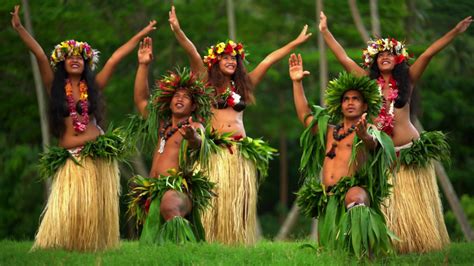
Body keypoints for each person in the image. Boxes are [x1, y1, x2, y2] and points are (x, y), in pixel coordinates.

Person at [318, 11, 472, 253]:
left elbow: (430, 52)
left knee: (414, 208)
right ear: (374, 62)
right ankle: (393, 244)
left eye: (390, 54)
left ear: (398, 59)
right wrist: (326, 32)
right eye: (380, 55)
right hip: (382, 156)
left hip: (409, 151)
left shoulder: (408, 79)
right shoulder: (368, 83)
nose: (385, 57)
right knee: (390, 204)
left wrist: (455, 31)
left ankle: (420, 243)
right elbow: (345, 60)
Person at [11, 5, 156, 251]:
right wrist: (19, 27)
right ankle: (64, 245)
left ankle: (94, 246)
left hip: (95, 157)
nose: (75, 59)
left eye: (80, 57)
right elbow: (38, 54)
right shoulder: (54, 88)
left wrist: (141, 34)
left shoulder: (94, 86)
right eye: (70, 56)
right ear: (62, 62)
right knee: (69, 208)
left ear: (86, 62)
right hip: (70, 160)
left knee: (92, 210)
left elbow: (114, 58)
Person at [167, 6, 296, 244]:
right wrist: (177, 30)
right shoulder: (205, 83)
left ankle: (236, 240)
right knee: (213, 201)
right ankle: (210, 238)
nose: (231, 61)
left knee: (239, 200)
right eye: (226, 57)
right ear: (216, 62)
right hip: (214, 152)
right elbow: (193, 53)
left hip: (239, 152)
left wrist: (295, 42)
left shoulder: (244, 86)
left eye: (234, 58)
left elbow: (268, 60)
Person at [289, 53, 396, 258]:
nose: (350, 102)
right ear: (340, 105)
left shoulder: (369, 129)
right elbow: (305, 115)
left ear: (365, 106)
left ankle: (366, 256)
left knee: (355, 199)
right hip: (328, 197)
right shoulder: (329, 130)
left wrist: (364, 136)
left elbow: (374, 146)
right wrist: (297, 83)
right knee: (329, 253)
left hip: (354, 191)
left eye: (356, 99)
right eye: (346, 99)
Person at [127, 37, 215, 244]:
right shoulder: (161, 126)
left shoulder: (194, 126)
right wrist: (143, 65)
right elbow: (141, 99)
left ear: (193, 106)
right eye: (176, 95)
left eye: (185, 97)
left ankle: (183, 251)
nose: (179, 98)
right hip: (154, 188)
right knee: (152, 241)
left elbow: (200, 144)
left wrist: (193, 138)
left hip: (178, 190)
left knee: (169, 206)